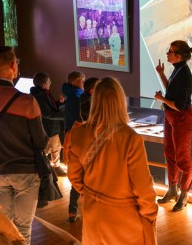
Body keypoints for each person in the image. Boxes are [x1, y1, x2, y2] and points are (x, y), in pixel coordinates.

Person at [68, 77, 158, 244]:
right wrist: (150, 214)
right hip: (125, 220)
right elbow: (143, 187)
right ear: (119, 101)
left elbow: (73, 176)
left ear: (95, 101)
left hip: (92, 215)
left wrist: (91, 194)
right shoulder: (131, 139)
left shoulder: (78, 134)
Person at [0, 46, 48, 245]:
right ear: (12, 65)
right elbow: (41, 141)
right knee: (23, 228)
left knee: (5, 226)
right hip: (26, 171)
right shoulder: (27, 101)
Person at [154, 40, 192, 211]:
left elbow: (179, 105)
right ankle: (172, 190)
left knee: (183, 159)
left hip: (181, 118)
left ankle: (184, 194)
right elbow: (171, 89)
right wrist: (161, 74)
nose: (167, 54)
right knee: (169, 154)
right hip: (171, 116)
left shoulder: (185, 75)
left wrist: (161, 100)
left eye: (170, 52)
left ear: (178, 56)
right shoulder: (178, 70)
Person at [30, 72, 66, 176]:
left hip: (51, 128)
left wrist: (59, 103)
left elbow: (50, 108)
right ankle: (45, 170)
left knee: (56, 148)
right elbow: (48, 114)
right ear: (43, 85)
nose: (50, 82)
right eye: (49, 81)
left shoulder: (43, 94)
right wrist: (64, 115)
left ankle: (56, 167)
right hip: (47, 129)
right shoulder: (40, 96)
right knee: (46, 150)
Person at [62, 70, 85, 222]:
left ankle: (72, 211)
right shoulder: (78, 98)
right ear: (77, 82)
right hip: (80, 141)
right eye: (82, 80)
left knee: (77, 176)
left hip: (71, 142)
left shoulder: (69, 95)